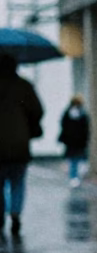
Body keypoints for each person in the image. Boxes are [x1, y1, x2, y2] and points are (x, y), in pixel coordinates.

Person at [0, 53, 44, 236]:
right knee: (18, 182)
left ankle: (0, 216)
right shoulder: (24, 86)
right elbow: (38, 110)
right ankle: (16, 214)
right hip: (19, 144)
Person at [59, 95, 91, 187]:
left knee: (73, 159)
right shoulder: (83, 113)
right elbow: (86, 128)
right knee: (78, 158)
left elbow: (63, 125)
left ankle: (73, 177)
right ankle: (76, 176)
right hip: (79, 141)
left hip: (71, 141)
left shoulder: (67, 113)